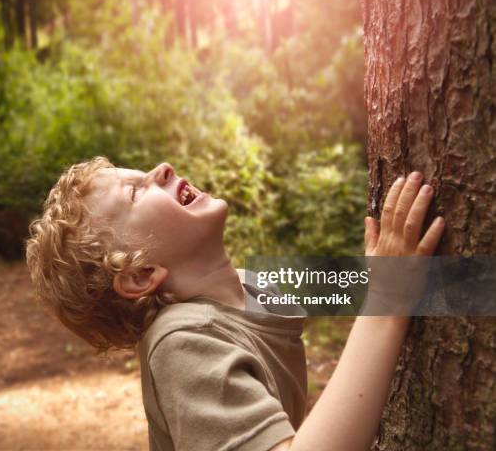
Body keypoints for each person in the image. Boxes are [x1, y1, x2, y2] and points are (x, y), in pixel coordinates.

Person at [26, 157, 445, 450]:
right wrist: (387, 305)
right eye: (136, 192)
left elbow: (327, 287)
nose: (163, 169)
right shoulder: (182, 343)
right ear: (139, 274)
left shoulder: (246, 289)